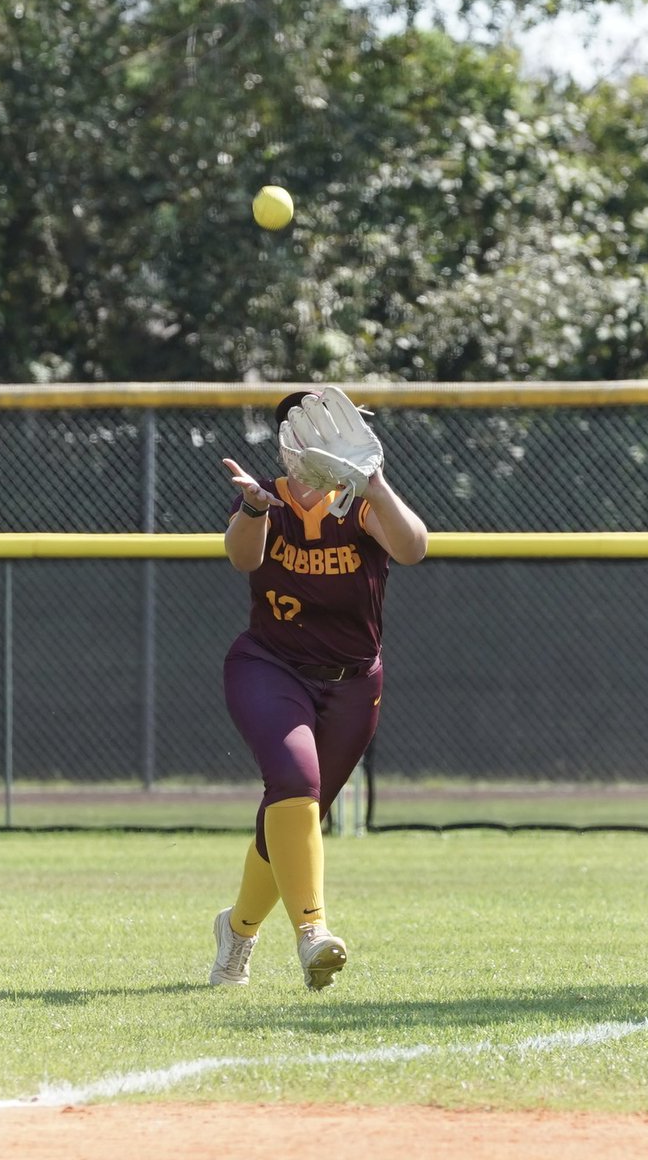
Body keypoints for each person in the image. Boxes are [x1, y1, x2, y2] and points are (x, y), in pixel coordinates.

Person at [210, 388, 428, 991]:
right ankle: (313, 934)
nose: (342, 438)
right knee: (294, 783)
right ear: (290, 445)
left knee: (294, 813)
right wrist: (253, 510)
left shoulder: (359, 501)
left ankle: (238, 932)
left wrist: (377, 482)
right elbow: (240, 558)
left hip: (354, 682)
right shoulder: (269, 498)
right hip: (271, 666)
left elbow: (413, 548)